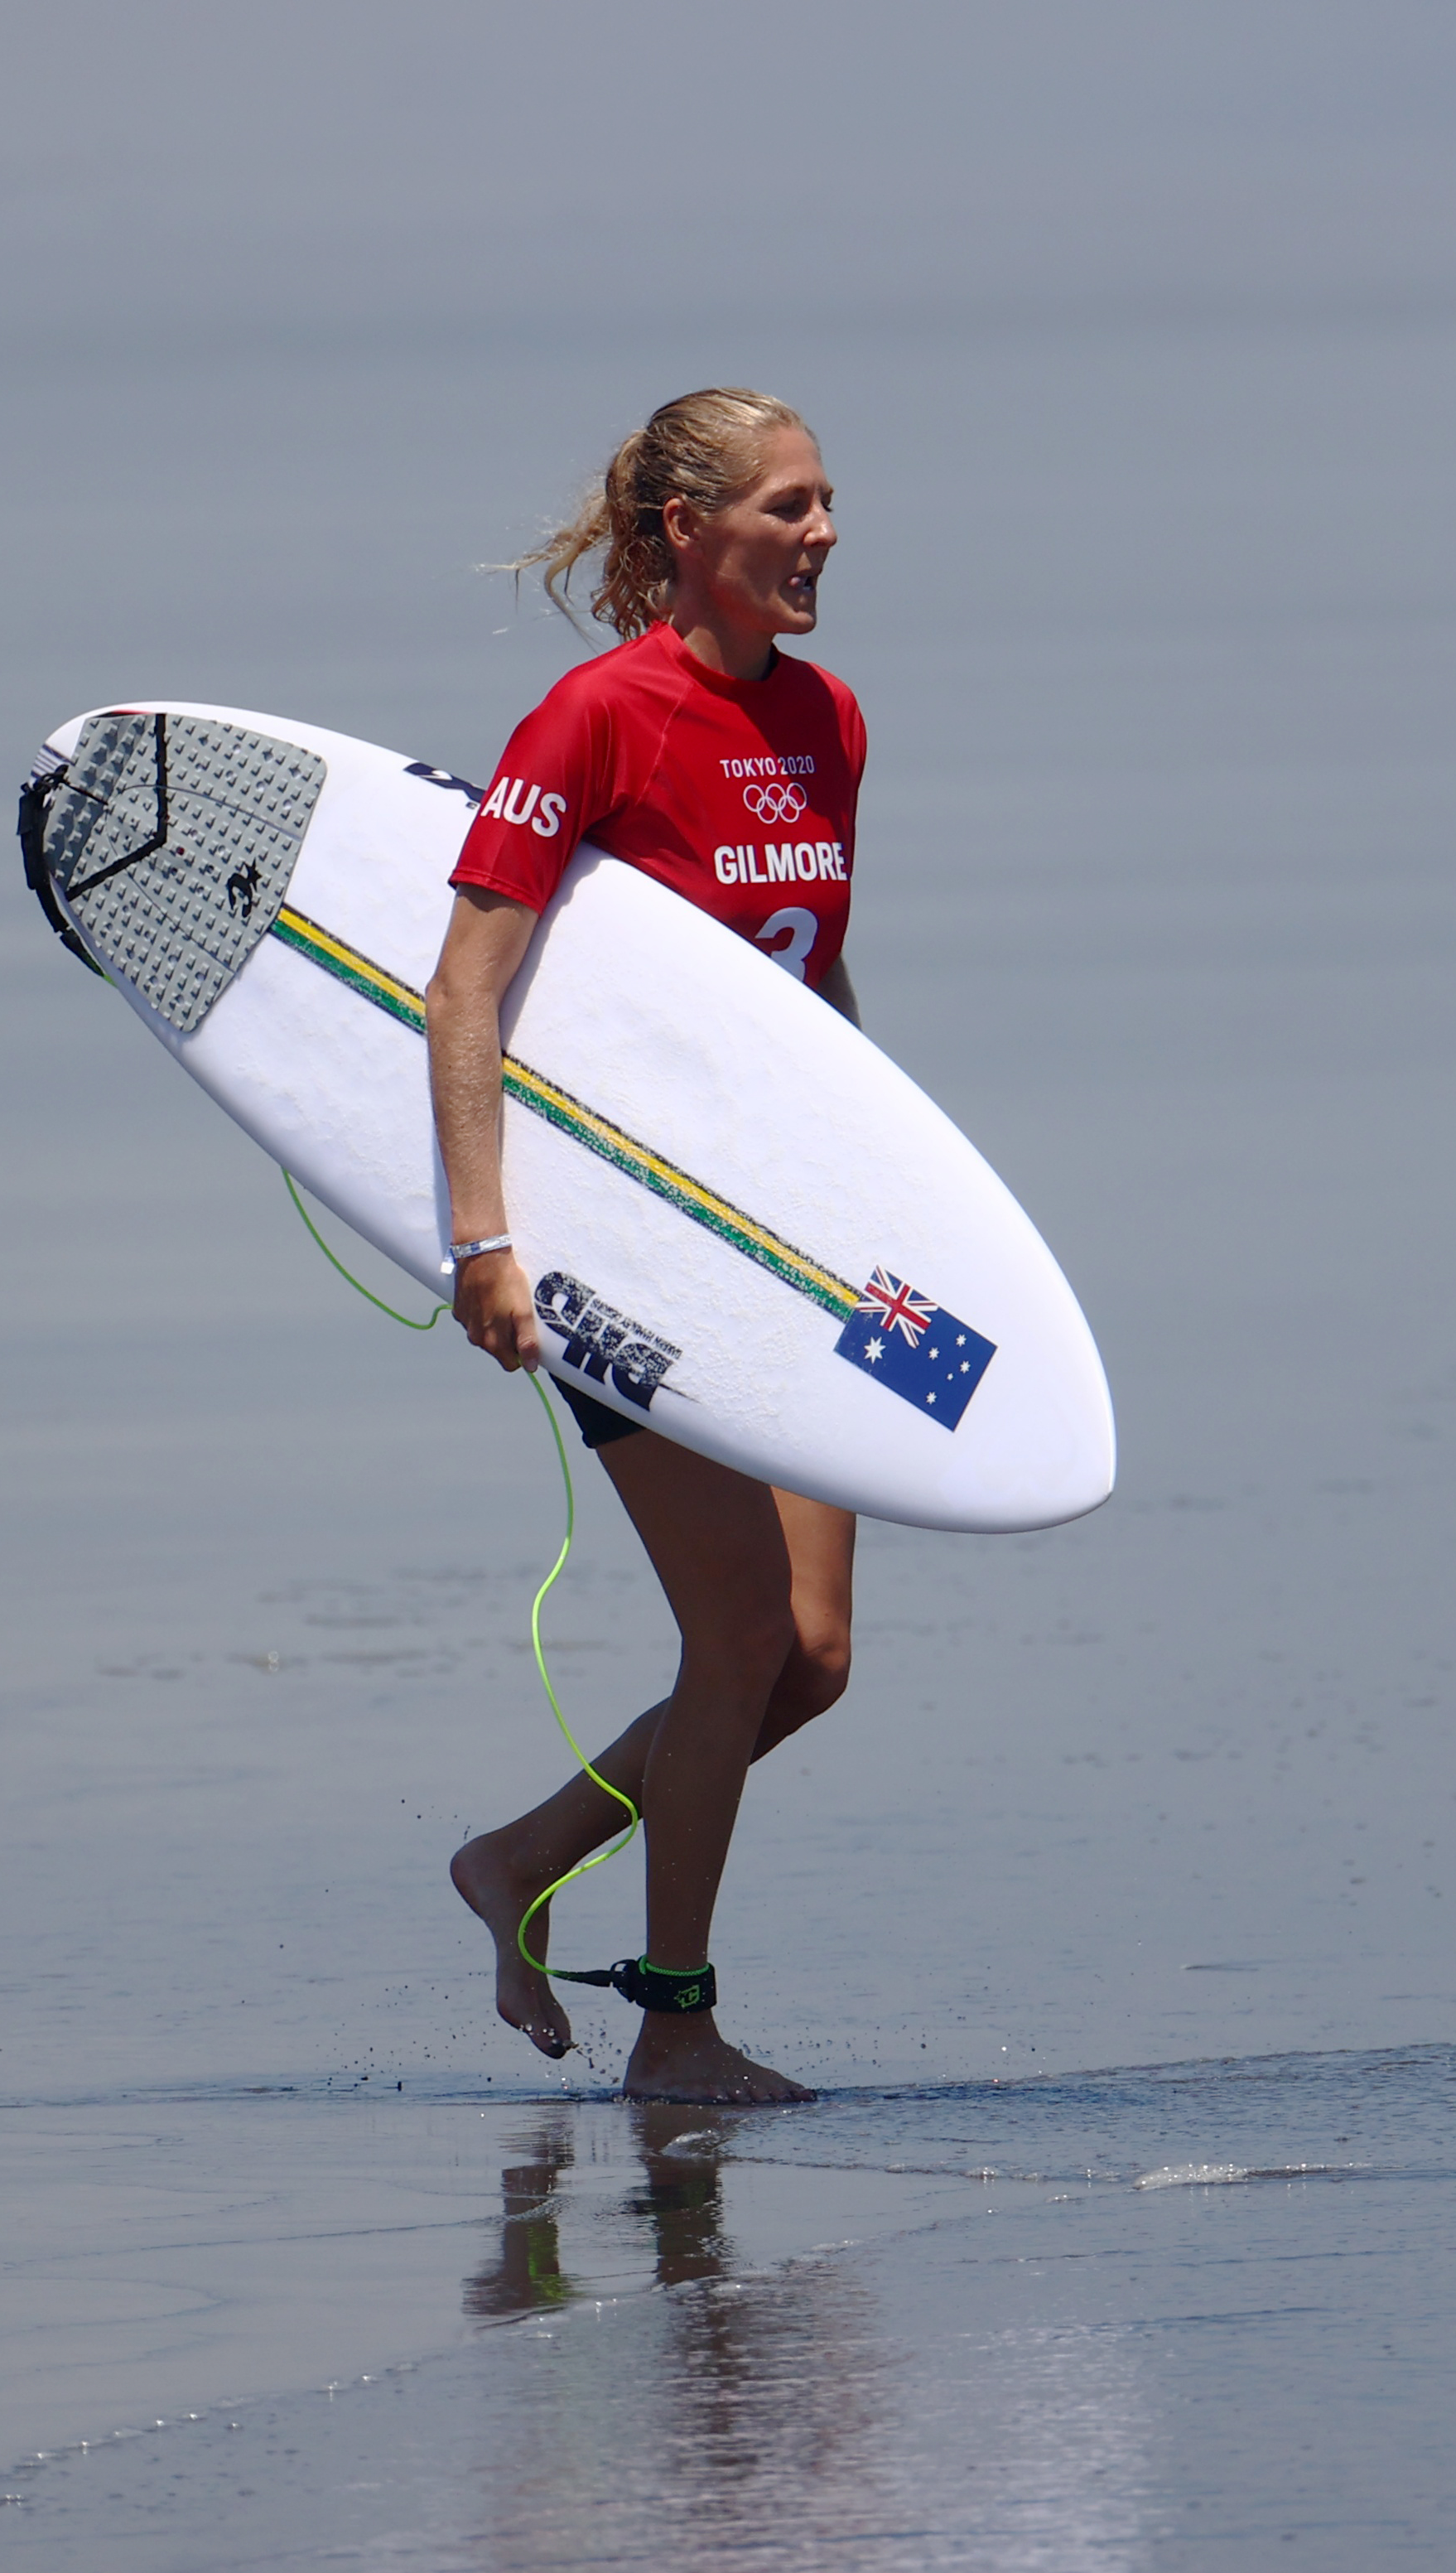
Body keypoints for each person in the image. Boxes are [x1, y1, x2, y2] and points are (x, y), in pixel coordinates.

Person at [429, 389, 861, 2106]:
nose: (821, 533)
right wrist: (485, 1240)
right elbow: (465, 988)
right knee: (737, 1632)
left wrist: (896, 1222)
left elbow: (815, 997)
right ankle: (671, 2024)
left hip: (783, 1239)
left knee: (807, 1661)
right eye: (786, 505)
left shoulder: (826, 718)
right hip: (622, 1247)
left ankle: (520, 1861)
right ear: (688, 530)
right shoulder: (594, 718)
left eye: (829, 503)